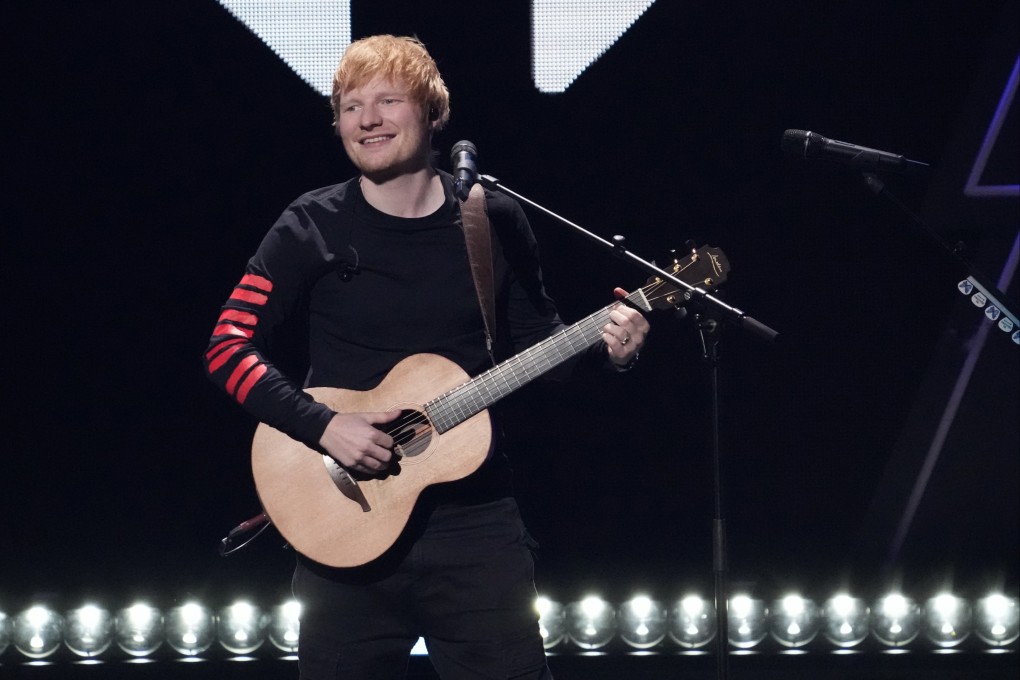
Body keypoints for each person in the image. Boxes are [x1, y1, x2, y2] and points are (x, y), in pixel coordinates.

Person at [204, 34, 649, 680]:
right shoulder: (311, 224)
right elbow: (226, 345)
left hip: (476, 528)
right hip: (342, 527)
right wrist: (324, 426)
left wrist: (614, 352)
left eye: (389, 100)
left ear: (434, 114)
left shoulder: (490, 218)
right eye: (351, 107)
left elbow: (542, 350)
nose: (368, 120)